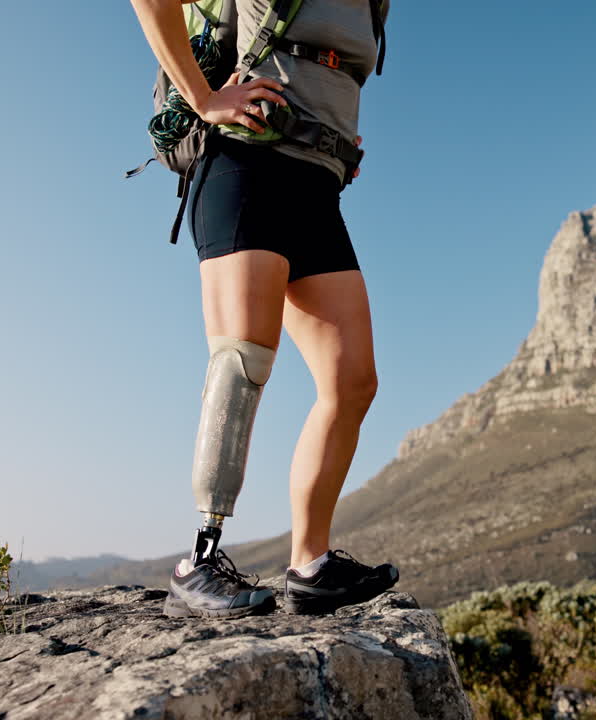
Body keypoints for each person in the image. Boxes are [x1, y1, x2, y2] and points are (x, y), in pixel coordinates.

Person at [130, 0, 398, 618]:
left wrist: (336, 138)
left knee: (352, 380)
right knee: (243, 361)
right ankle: (198, 560)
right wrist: (202, 99)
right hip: (243, 166)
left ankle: (310, 564)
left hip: (314, 188)